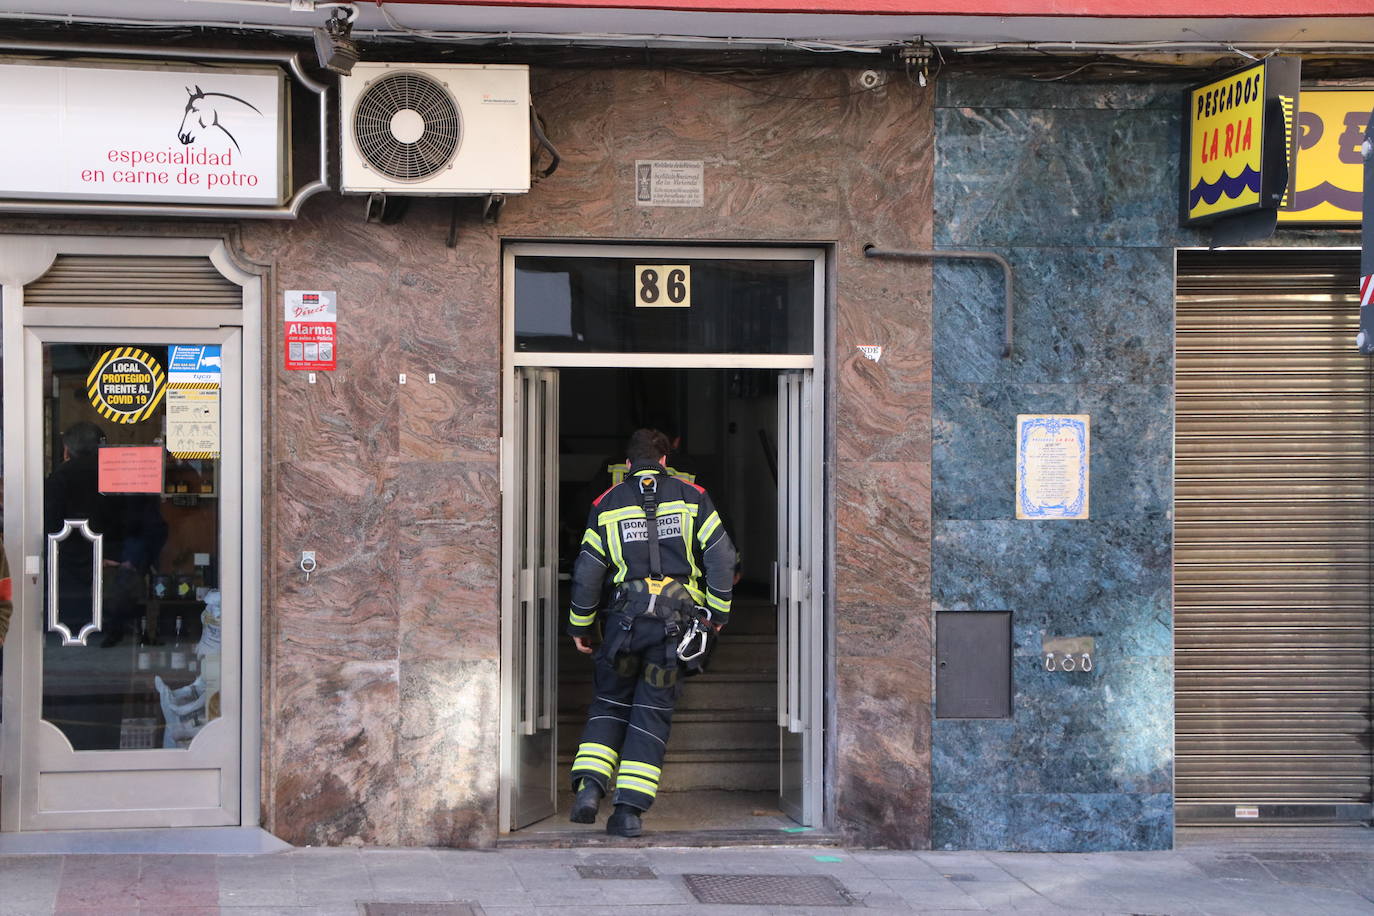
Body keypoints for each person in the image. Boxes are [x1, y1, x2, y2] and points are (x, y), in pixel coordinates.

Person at [566, 428, 737, 837]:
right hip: (671, 632)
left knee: (608, 703)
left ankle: (589, 789)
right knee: (649, 715)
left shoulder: (605, 504)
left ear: (627, 464)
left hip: (624, 627)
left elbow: (588, 571)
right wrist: (717, 615)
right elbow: (722, 557)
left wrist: (580, 625)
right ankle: (627, 813)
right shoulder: (693, 497)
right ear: (665, 462)